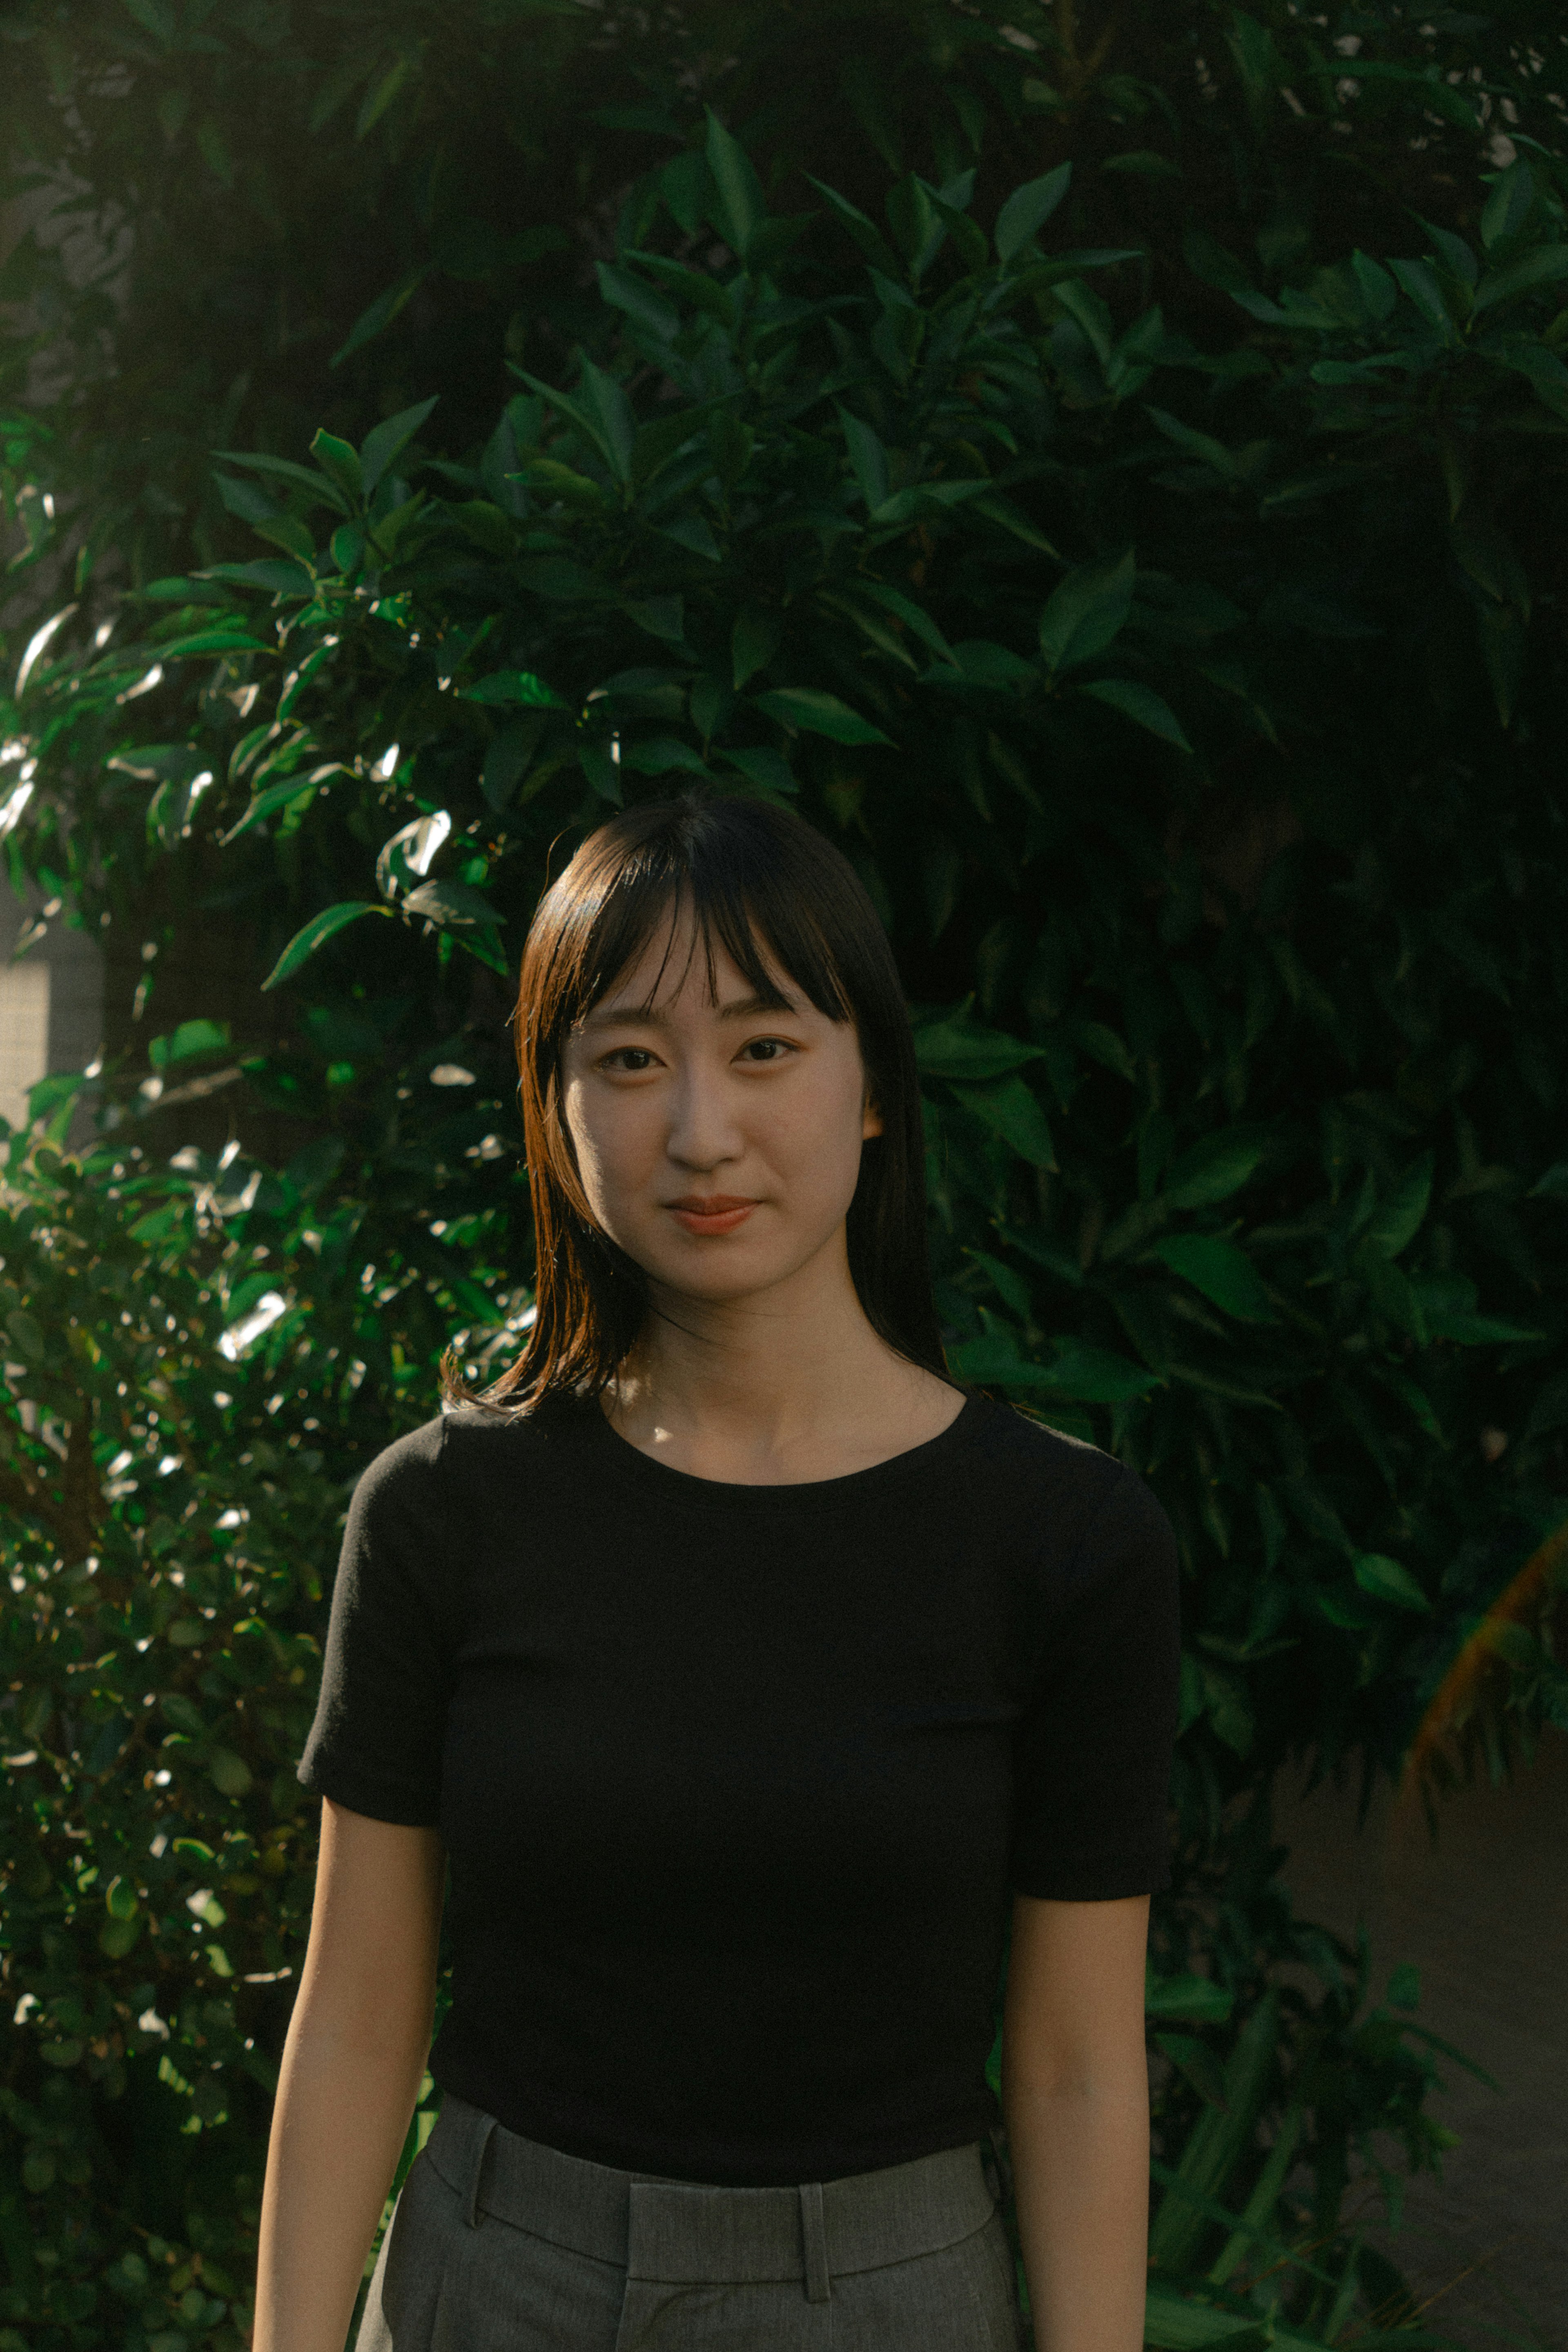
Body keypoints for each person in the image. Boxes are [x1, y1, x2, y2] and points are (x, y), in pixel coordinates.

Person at [253, 791, 1181, 2352]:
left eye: (764, 1047)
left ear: (872, 1083)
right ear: (555, 1111)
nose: (700, 1130)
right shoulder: (437, 1513)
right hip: (494, 2285)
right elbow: (355, 2014)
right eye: (628, 1059)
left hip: (889, 2298)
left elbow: (1079, 2062)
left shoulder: (1065, 1545)